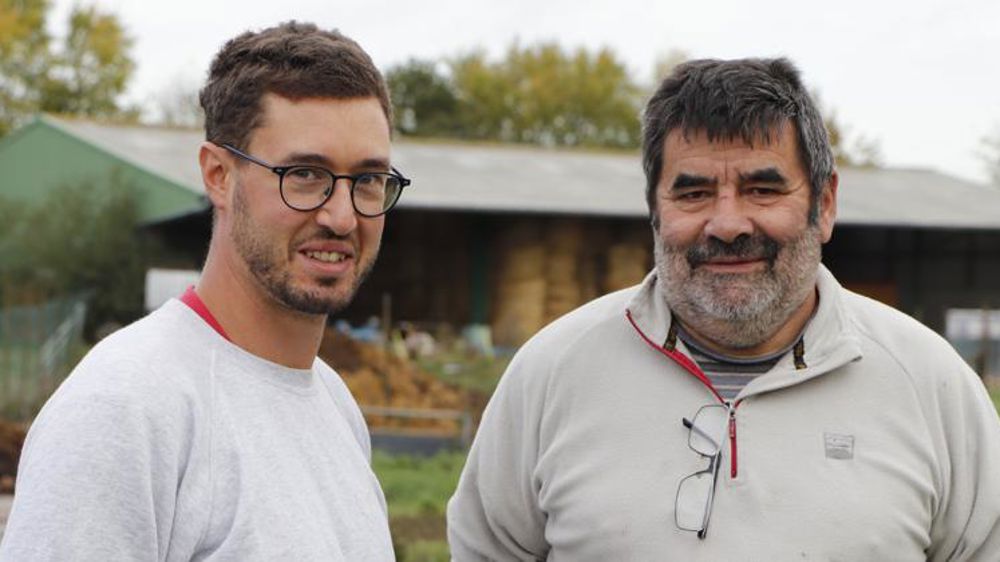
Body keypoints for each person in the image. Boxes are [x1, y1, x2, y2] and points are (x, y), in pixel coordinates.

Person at [447, 58, 1000, 561]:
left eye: (762, 189)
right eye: (693, 194)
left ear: (824, 204)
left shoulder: (930, 384)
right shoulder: (551, 372)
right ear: (654, 211)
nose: (728, 223)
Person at [0, 21, 407, 561]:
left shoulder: (334, 404)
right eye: (305, 174)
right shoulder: (125, 409)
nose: (341, 215)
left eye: (368, 180)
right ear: (218, 175)